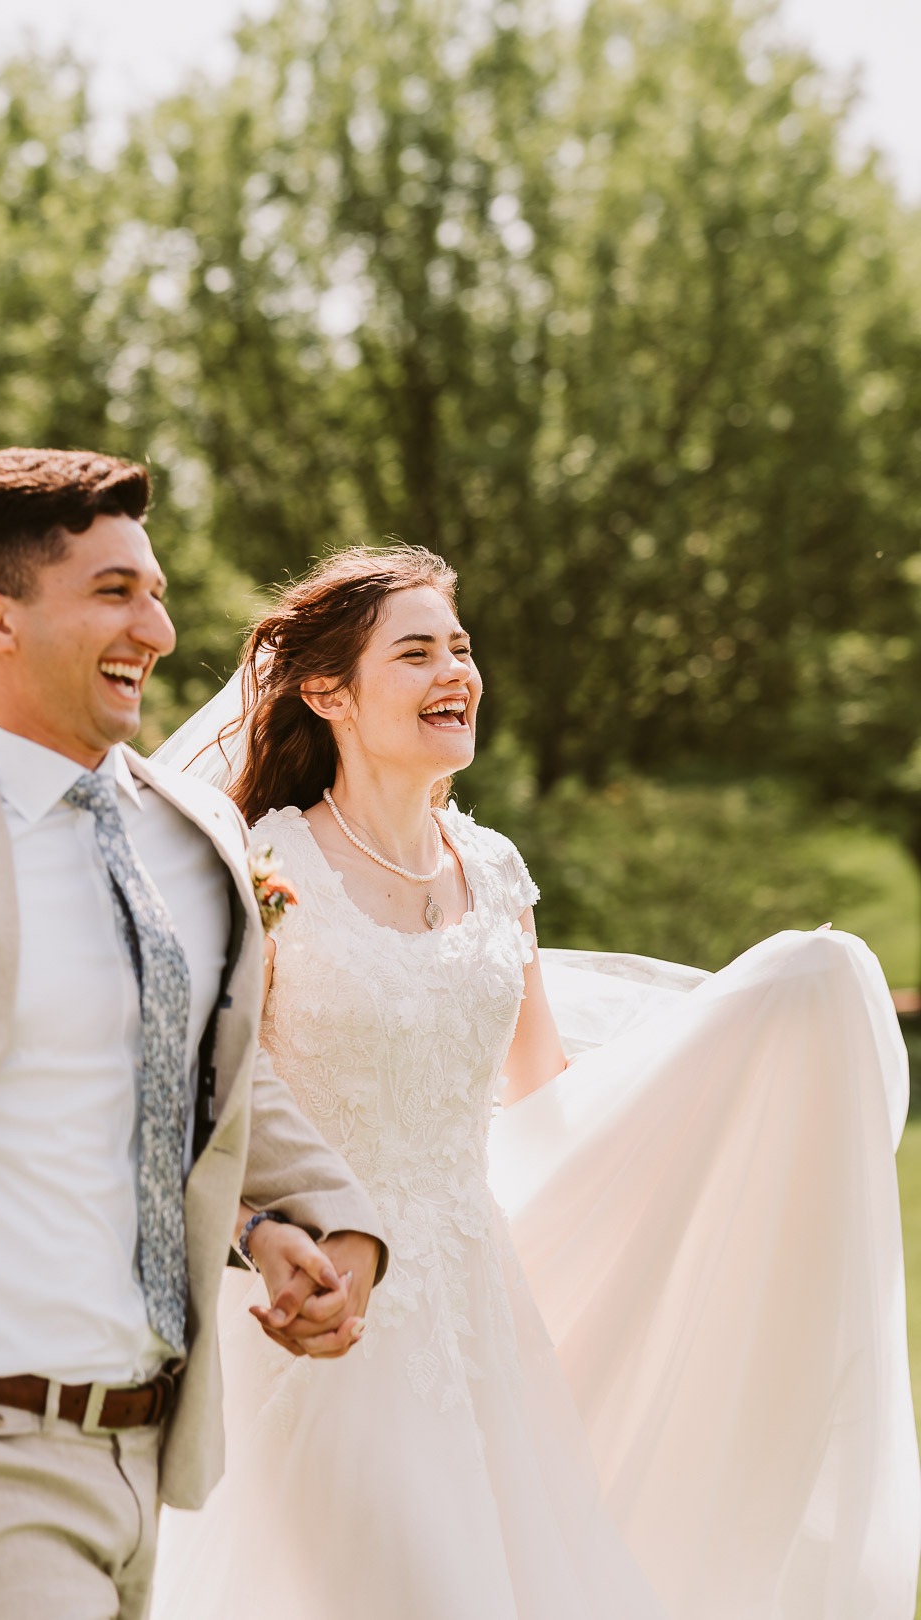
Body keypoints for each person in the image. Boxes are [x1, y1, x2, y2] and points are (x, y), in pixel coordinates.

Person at [151, 544, 920, 1620]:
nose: (453, 672)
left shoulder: (497, 873)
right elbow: (202, 1096)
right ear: (328, 691)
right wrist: (259, 1232)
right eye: (415, 652)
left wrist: (725, 1087)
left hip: (480, 1314)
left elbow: (542, 1093)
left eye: (459, 648)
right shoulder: (262, 868)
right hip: (322, 1313)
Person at [0, 448, 387, 1620]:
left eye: (155, 587)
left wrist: (322, 1222)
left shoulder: (192, 837)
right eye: (113, 592)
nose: (160, 623)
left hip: (142, 1454)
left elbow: (212, 1070)